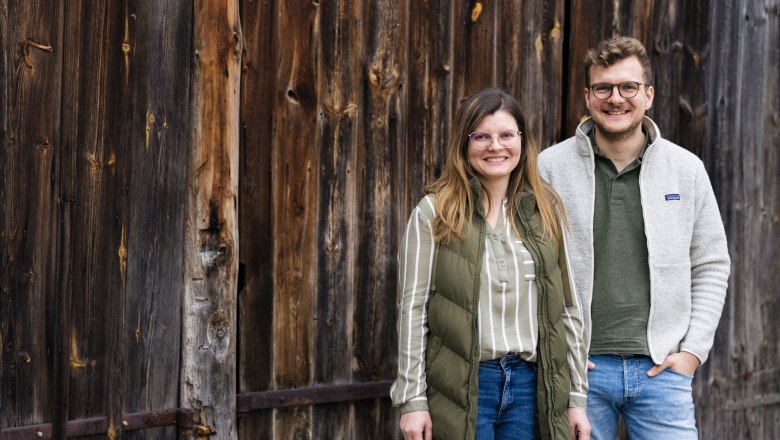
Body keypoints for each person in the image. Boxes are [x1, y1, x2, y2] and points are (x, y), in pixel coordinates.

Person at [538, 36, 731, 440]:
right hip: (580, 373)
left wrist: (693, 351)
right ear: (588, 96)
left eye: (628, 87)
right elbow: (530, 265)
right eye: (603, 88)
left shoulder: (686, 169)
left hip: (662, 371)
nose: (616, 98)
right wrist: (557, 349)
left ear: (648, 95)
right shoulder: (550, 169)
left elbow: (711, 263)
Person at [391, 88, 591, 440]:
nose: (495, 146)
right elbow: (413, 309)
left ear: (522, 142)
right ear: (464, 144)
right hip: (464, 384)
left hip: (532, 385)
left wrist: (576, 396)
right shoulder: (436, 212)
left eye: (505, 135)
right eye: (481, 136)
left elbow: (569, 309)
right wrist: (413, 399)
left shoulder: (546, 211)